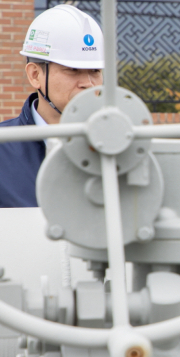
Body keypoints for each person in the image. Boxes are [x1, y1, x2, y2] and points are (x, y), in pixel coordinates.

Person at [0, 5, 104, 207]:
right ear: (35, 75)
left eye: (95, 70)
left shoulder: (120, 146)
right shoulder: (3, 149)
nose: (88, 83)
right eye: (73, 70)